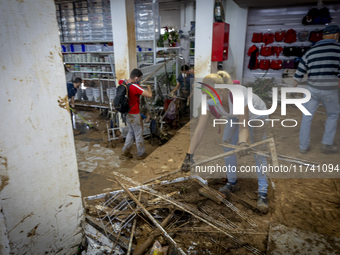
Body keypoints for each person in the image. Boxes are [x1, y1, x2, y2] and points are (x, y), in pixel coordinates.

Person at [180, 71, 270, 213]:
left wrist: (242, 144)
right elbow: (200, 129)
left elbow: (244, 127)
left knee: (259, 152)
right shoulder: (209, 100)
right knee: (227, 145)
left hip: (257, 114)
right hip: (234, 115)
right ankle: (232, 182)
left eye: (209, 95)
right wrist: (189, 155)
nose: (206, 99)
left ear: (221, 91)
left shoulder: (239, 96)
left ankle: (263, 191)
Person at [293, 25, 340, 154]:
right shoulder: (338, 50)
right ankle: (327, 144)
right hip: (330, 90)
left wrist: (293, 88)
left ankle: (303, 146)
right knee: (333, 115)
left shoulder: (310, 51)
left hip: (311, 89)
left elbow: (299, 72)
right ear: (336, 35)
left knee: (306, 116)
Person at [121, 69, 152, 160]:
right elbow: (149, 95)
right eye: (140, 78)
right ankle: (141, 154)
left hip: (127, 113)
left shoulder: (124, 83)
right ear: (136, 78)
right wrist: (149, 86)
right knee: (138, 133)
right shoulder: (135, 87)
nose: (140, 80)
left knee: (131, 132)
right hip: (134, 114)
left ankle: (125, 151)